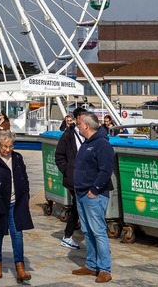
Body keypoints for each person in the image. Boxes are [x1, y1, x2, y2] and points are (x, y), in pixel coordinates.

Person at [0, 130, 35, 283]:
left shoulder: (17, 158)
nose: (8, 149)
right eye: (5, 146)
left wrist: (25, 196)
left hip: (15, 203)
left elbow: (24, 179)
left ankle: (20, 268)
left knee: (17, 234)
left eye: (10, 146)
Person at [70, 112, 114, 283]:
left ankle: (104, 269)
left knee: (98, 232)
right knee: (87, 231)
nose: (77, 126)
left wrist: (94, 190)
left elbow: (105, 170)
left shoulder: (102, 144)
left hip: (93, 195)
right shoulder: (87, 143)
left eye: (79, 123)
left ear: (86, 126)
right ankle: (91, 265)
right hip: (82, 193)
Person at [54, 107, 88, 251]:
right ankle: (69, 236)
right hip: (74, 178)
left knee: (79, 206)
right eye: (82, 119)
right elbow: (59, 155)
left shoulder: (89, 133)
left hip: (86, 176)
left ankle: (69, 235)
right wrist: (68, 171)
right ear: (76, 120)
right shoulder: (68, 135)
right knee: (81, 205)